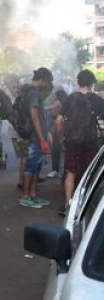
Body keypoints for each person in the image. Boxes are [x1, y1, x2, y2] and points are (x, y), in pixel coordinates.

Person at [55, 69, 104, 213]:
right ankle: (85, 207)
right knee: (90, 173)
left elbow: (58, 121)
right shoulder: (97, 100)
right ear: (92, 83)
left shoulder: (70, 99)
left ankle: (67, 205)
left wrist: (62, 137)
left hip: (72, 141)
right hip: (91, 142)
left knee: (70, 172)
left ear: (78, 82)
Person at [18, 67, 54, 209]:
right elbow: (34, 117)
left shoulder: (31, 92)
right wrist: (42, 139)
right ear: (43, 80)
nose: (48, 85)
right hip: (35, 138)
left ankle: (33, 194)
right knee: (31, 166)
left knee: (36, 166)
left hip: (36, 137)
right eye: (48, 82)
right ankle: (25, 196)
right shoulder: (33, 93)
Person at [46, 88, 67, 179]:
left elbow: (49, 109)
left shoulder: (58, 103)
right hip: (66, 126)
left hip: (59, 126)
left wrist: (60, 137)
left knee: (55, 150)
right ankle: (66, 171)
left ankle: (55, 170)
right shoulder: (65, 103)